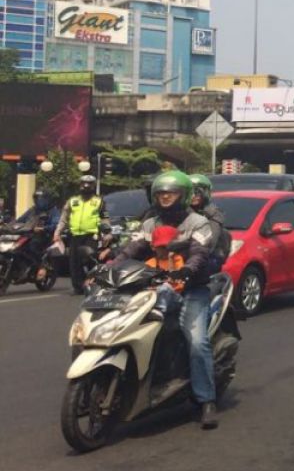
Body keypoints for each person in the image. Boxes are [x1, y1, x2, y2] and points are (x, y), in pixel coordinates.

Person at [115, 170, 219, 429]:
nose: (164, 197)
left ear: (182, 195)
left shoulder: (198, 223)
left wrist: (187, 269)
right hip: (155, 288)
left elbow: (199, 253)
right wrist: (109, 265)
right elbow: (131, 249)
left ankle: (206, 400)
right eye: (160, 193)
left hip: (192, 289)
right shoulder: (150, 224)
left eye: (170, 193)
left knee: (197, 342)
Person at [54, 176, 108, 294]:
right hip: (74, 235)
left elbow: (105, 219)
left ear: (93, 186)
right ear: (80, 185)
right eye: (84, 183)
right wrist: (57, 233)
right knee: (74, 262)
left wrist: (106, 235)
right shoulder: (72, 201)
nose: (86, 186)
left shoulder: (99, 202)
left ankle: (94, 283)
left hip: (91, 235)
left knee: (91, 260)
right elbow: (64, 219)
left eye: (89, 184)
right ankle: (77, 287)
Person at [189, 174, 231, 274]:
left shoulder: (213, 213)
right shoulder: (181, 211)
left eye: (198, 192)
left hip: (208, 258)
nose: (194, 196)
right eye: (190, 193)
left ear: (206, 193)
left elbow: (209, 243)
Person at [145, 224, 186, 317]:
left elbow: (177, 283)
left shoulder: (177, 260)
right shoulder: (150, 263)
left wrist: (170, 259)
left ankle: (159, 311)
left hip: (174, 297)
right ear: (153, 247)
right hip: (154, 296)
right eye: (162, 247)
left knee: (165, 288)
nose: (165, 250)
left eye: (168, 247)